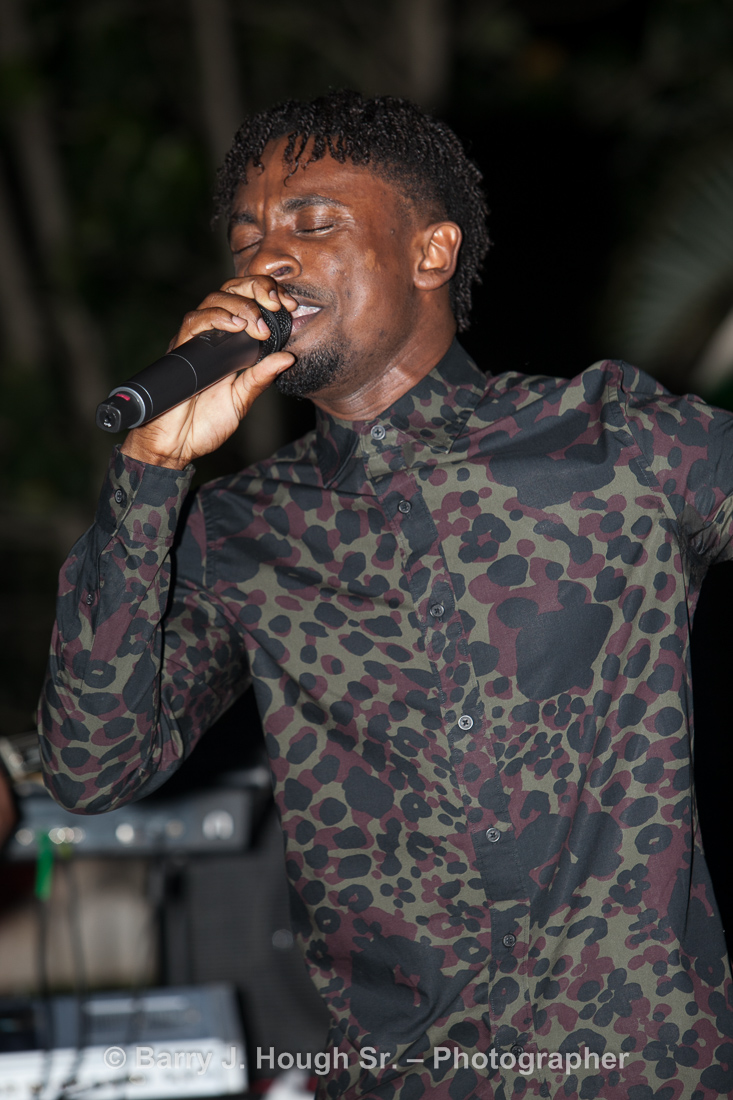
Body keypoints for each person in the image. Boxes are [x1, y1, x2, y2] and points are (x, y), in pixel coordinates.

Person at [38, 91, 733, 1100]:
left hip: (642, 1068)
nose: (268, 259)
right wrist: (150, 473)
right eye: (247, 237)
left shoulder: (611, 442)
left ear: (430, 252)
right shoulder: (239, 530)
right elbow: (90, 766)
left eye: (312, 222)